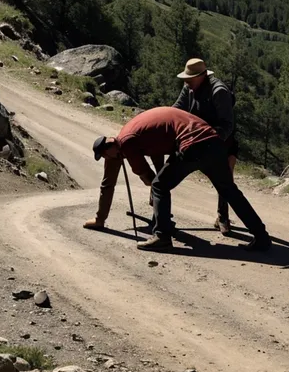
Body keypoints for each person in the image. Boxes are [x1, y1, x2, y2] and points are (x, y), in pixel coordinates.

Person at [90, 106, 271, 254]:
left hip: (193, 144)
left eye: (107, 157)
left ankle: (162, 236)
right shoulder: (136, 129)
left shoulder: (126, 140)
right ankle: (261, 237)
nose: (111, 160)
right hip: (213, 141)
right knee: (229, 191)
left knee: (160, 186)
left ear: (109, 147)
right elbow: (157, 152)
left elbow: (145, 174)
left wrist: (154, 187)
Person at [173, 58, 237, 236]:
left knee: (225, 179)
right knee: (169, 170)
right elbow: (178, 109)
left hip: (222, 141)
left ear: (202, 76)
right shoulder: (189, 87)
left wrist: (212, 142)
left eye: (189, 78)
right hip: (195, 139)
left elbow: (227, 125)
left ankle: (223, 217)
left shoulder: (219, 92)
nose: (186, 82)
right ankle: (160, 212)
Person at [83, 150, 164, 232]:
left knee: (158, 178)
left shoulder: (129, 146)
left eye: (105, 156)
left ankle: (162, 216)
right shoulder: (112, 151)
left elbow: (145, 173)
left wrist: (155, 190)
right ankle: (100, 219)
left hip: (151, 145)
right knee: (108, 183)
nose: (105, 158)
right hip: (121, 147)